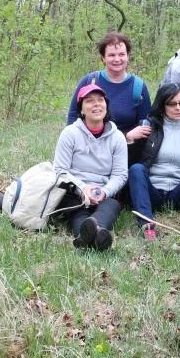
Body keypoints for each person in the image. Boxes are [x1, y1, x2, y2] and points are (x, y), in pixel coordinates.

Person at [53, 83, 127, 251]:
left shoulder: (117, 137)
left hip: (104, 192)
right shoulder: (69, 134)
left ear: (106, 106)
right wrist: (83, 189)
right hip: (75, 192)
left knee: (111, 205)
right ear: (81, 109)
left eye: (100, 100)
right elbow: (60, 171)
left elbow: (120, 175)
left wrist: (105, 191)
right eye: (89, 101)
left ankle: (90, 234)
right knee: (77, 210)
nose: (96, 104)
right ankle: (97, 237)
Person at [127, 82, 180, 241]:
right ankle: (146, 225)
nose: (178, 108)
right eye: (172, 104)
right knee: (136, 169)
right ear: (162, 106)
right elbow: (129, 162)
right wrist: (129, 139)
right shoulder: (149, 127)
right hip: (152, 191)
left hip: (179, 192)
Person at [66, 31, 152, 165]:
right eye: (111, 55)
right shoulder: (89, 82)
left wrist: (129, 137)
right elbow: (73, 118)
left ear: (128, 56)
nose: (117, 59)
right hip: (89, 154)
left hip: (126, 155)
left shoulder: (138, 87)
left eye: (121, 54)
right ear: (103, 58)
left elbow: (146, 127)